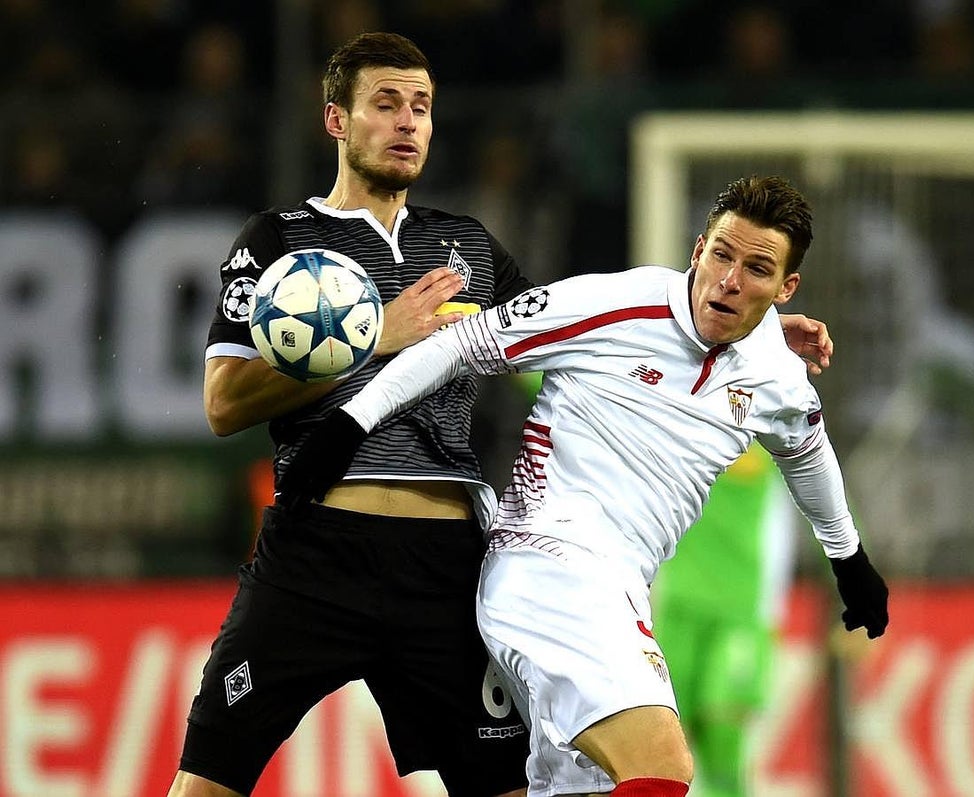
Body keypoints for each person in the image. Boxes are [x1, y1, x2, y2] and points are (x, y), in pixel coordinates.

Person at [169, 32, 836, 797]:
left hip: (446, 565)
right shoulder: (281, 242)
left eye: (420, 106)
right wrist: (374, 336)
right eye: (385, 104)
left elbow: (589, 331)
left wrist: (734, 328)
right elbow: (224, 403)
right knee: (207, 783)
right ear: (337, 121)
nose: (408, 122)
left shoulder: (471, 248)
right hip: (316, 551)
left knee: (506, 787)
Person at [279, 174, 889, 797]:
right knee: (660, 766)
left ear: (786, 289)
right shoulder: (617, 304)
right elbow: (463, 345)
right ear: (698, 249)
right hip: (547, 565)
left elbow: (807, 450)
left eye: (757, 269)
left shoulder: (776, 375)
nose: (730, 280)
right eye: (721, 255)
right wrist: (352, 421)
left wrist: (849, 560)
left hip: (621, 587)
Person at [651, 446, 799, 797]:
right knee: (660, 745)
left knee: (723, 731)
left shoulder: (776, 419)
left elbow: (831, 503)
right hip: (677, 609)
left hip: (743, 614)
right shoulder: (674, 412)